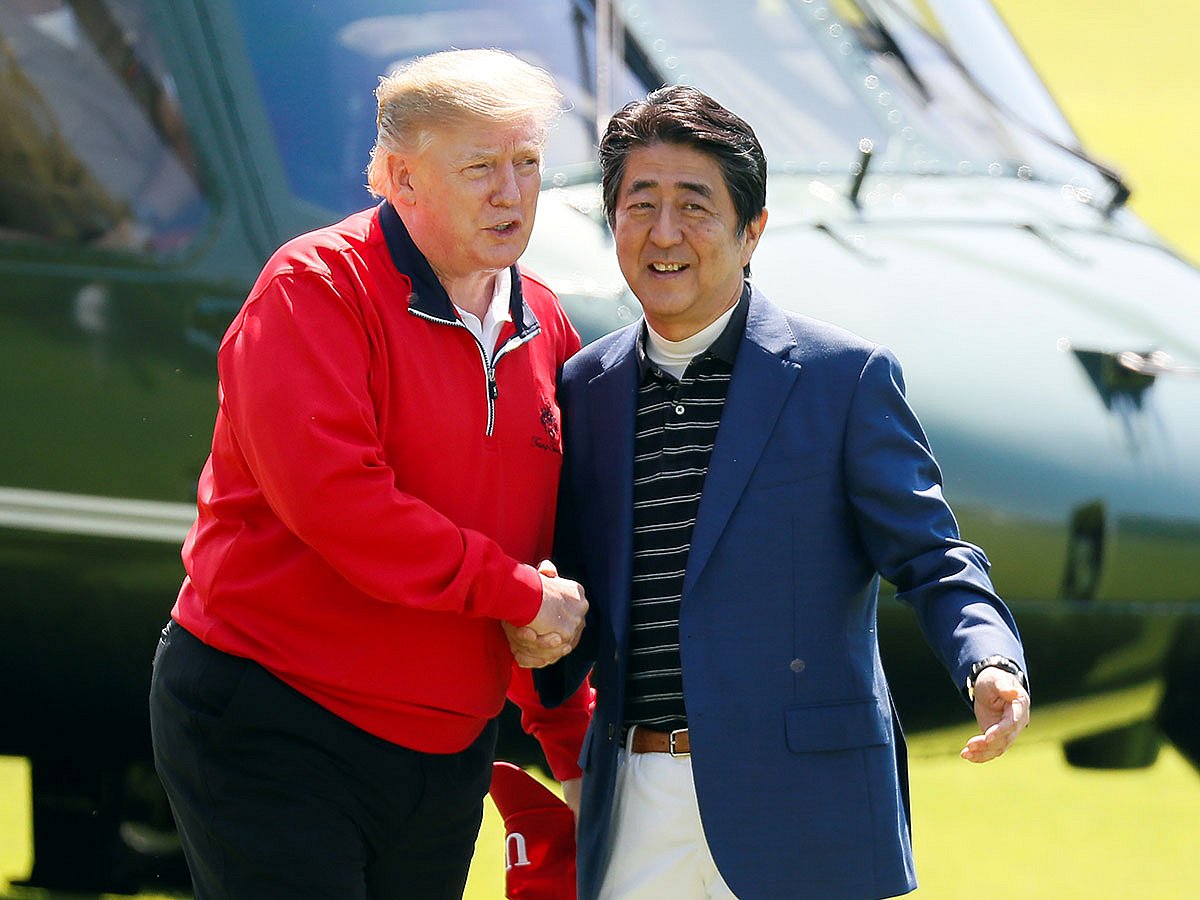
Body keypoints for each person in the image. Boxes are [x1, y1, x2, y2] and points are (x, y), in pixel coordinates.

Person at [520, 85, 1031, 899]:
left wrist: (989, 661)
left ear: (752, 229)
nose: (663, 233)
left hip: (806, 809)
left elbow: (933, 559)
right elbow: (579, 587)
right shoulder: (582, 386)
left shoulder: (845, 379)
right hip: (634, 801)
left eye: (695, 206)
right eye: (638, 204)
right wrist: (543, 632)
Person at [149, 48, 591, 900]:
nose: (512, 193)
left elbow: (551, 560)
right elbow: (344, 507)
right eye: (479, 168)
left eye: (527, 163)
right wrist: (514, 594)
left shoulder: (547, 323)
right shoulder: (312, 288)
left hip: (447, 748)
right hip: (275, 719)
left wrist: (573, 743)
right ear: (397, 176)